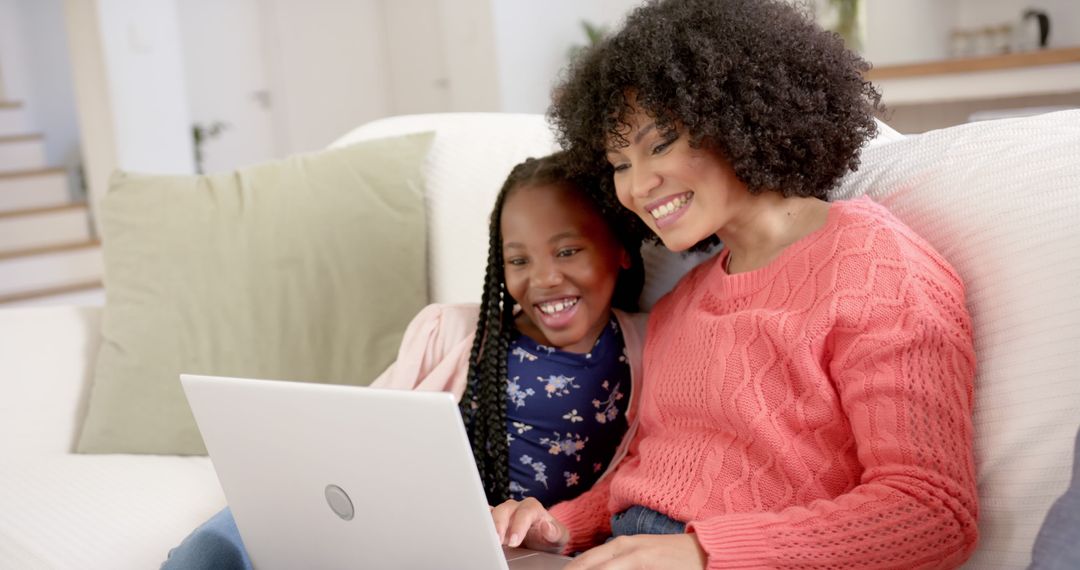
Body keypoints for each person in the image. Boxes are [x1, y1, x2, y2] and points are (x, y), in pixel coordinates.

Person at [491, 0, 980, 568]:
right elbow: (649, 478)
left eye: (660, 143)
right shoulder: (682, 303)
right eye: (619, 164)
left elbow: (932, 513)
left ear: (738, 117)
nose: (637, 185)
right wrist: (555, 526)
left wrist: (700, 554)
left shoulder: (879, 269)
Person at [162, 152, 649, 568]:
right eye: (518, 260)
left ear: (622, 249)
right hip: (391, 520)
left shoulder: (650, 348)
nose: (543, 278)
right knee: (234, 533)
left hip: (504, 550)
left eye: (567, 250)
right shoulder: (455, 332)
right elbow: (354, 430)